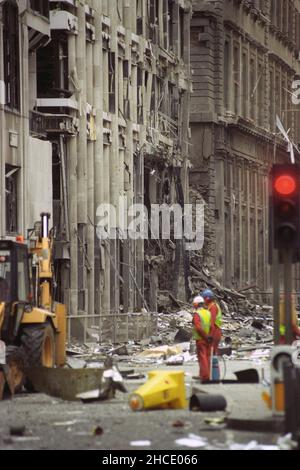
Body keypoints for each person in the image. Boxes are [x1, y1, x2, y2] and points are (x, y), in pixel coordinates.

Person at [192, 295, 213, 383]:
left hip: (201, 339)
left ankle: (205, 377)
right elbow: (212, 326)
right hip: (208, 339)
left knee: (202, 357)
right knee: (207, 357)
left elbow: (198, 327)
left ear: (196, 304)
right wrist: (210, 336)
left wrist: (205, 336)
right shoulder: (208, 313)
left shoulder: (197, 314)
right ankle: (204, 375)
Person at [201, 289, 222, 355]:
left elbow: (211, 324)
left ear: (207, 298)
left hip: (214, 332)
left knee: (211, 355)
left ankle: (213, 365)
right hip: (214, 332)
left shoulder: (213, 307)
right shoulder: (210, 307)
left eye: (204, 299)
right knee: (211, 354)